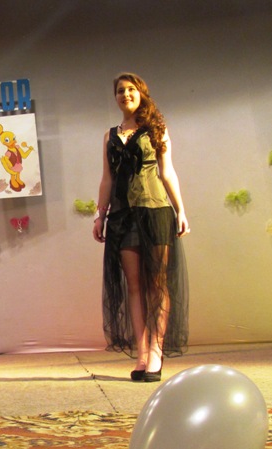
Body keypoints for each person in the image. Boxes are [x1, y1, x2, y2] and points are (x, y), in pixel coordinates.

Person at [92, 73, 189, 382]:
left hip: (155, 210)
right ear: (116, 98)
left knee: (157, 283)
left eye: (131, 89)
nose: (125, 94)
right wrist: (100, 215)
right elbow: (107, 179)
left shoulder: (156, 129)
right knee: (134, 286)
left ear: (141, 93)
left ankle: (157, 351)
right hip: (122, 216)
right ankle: (143, 353)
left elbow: (167, 172)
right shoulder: (109, 136)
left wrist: (181, 210)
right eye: (120, 91)